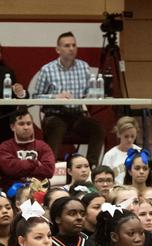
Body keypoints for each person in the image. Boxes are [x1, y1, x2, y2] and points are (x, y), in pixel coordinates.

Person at [33, 32, 105, 162]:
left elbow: (90, 91)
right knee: (56, 127)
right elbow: (35, 96)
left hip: (77, 114)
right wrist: (55, 97)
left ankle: (91, 166)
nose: (71, 48)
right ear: (58, 50)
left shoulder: (83, 67)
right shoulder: (47, 69)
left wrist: (95, 93)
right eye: (67, 45)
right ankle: (50, 168)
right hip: (55, 114)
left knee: (97, 127)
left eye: (74, 45)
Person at [0, 109, 56, 188]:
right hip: (14, 191)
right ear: (12, 127)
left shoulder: (43, 146)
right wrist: (35, 163)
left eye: (29, 124)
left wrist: (20, 169)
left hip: (40, 190)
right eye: (21, 124)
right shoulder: (4, 147)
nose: (26, 127)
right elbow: (9, 170)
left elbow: (49, 171)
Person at [101, 117, 142, 182]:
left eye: (132, 136)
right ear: (118, 134)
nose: (129, 140)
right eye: (126, 136)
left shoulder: (140, 152)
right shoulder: (109, 155)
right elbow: (104, 179)